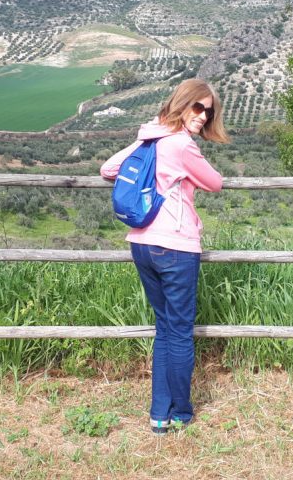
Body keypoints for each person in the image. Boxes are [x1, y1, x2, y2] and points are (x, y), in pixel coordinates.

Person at [100, 78, 229, 435]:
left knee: (165, 330)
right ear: (182, 103)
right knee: (181, 332)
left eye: (209, 110)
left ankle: (160, 415)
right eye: (198, 107)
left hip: (141, 244)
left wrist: (146, 138)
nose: (203, 116)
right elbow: (215, 182)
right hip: (175, 245)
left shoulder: (152, 138)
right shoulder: (181, 146)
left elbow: (108, 169)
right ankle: (182, 413)